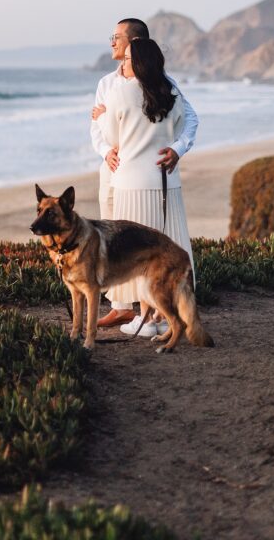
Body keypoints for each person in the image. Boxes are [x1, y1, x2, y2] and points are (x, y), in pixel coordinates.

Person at [90, 18, 198, 329]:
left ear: (134, 42)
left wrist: (177, 148)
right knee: (112, 234)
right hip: (112, 168)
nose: (112, 42)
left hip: (137, 170)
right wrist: (105, 151)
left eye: (117, 37)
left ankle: (147, 308)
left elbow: (189, 119)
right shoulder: (106, 83)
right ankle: (121, 303)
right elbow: (99, 131)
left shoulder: (161, 81)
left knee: (140, 234)